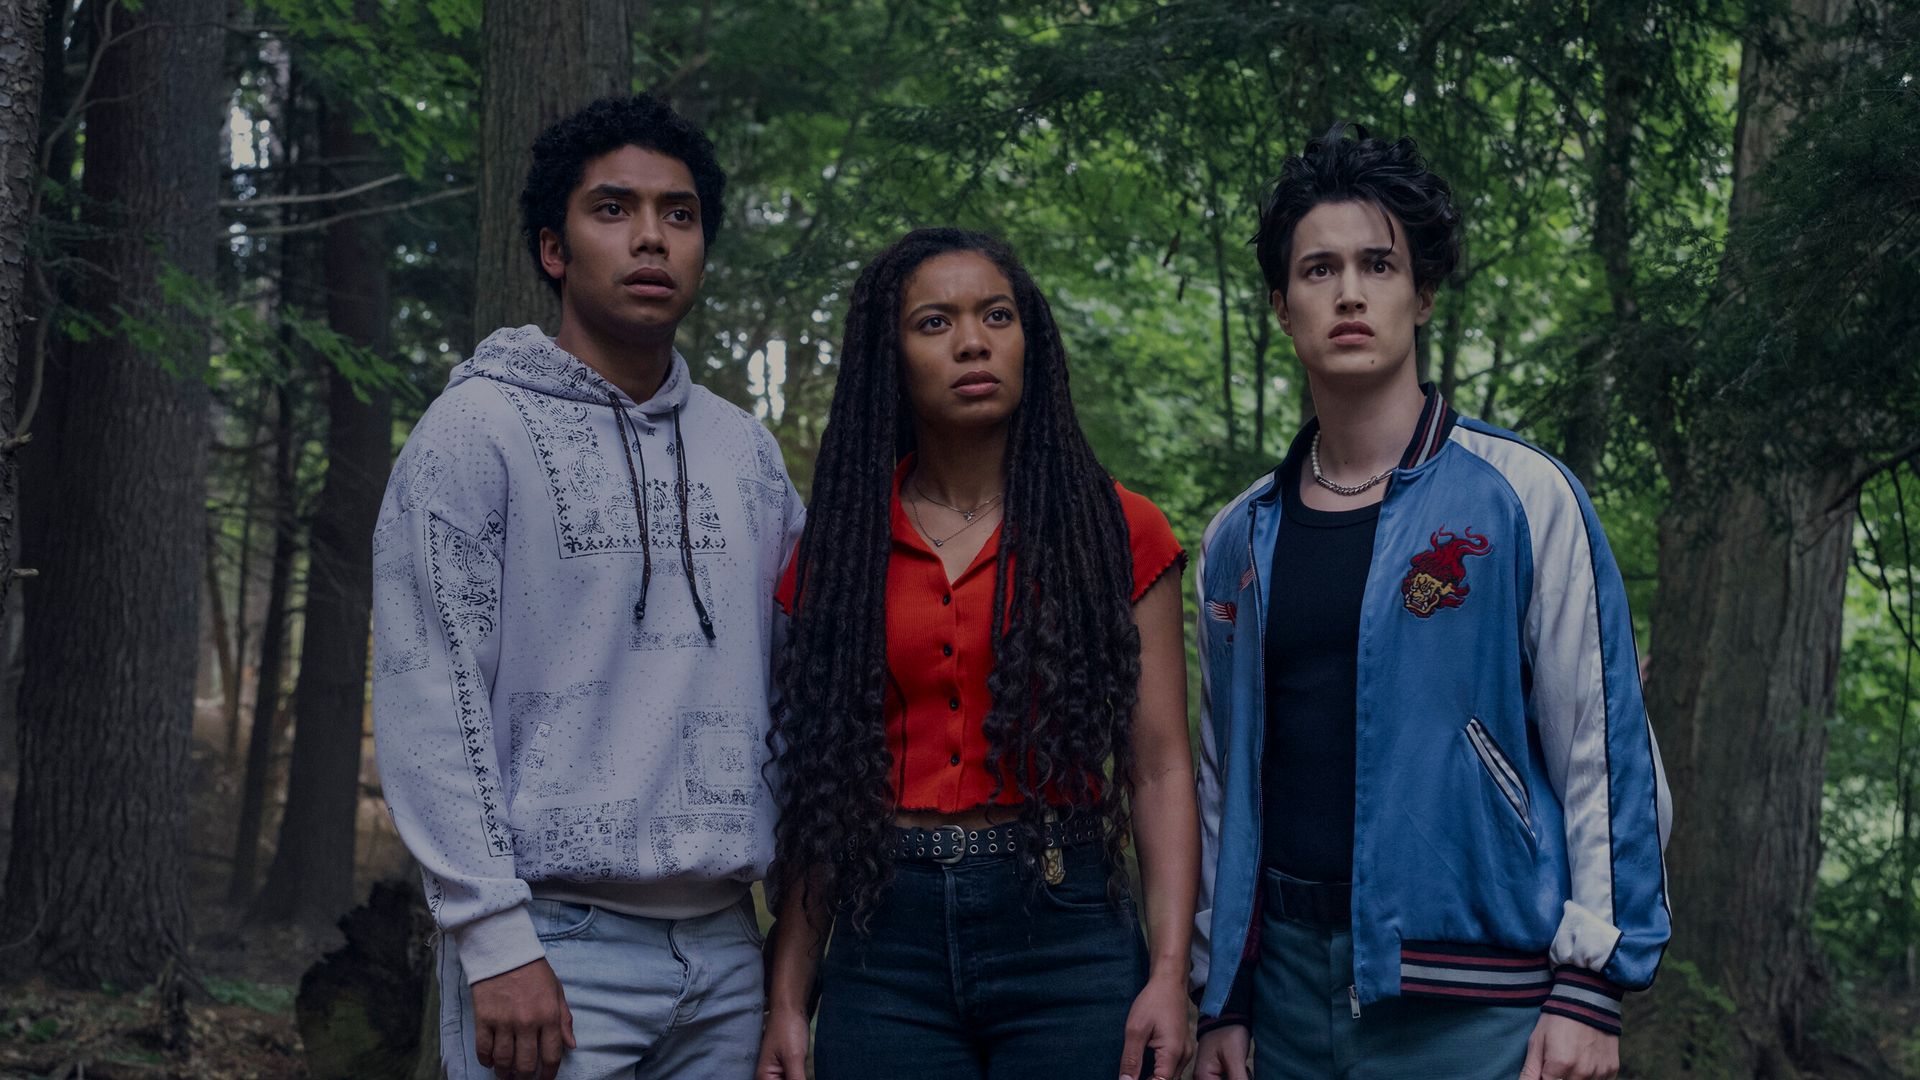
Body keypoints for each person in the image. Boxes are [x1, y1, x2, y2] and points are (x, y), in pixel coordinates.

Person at [1190, 126, 1673, 1080]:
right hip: (1281, 997)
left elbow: (1603, 751)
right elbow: (1221, 782)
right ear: (1284, 308)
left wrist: (1592, 987)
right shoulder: (1236, 538)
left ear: (1422, 294)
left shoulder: (1525, 497)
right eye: (1318, 269)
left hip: (1478, 1001)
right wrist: (1224, 996)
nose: (1351, 292)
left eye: (1379, 263)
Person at [372, 94, 803, 1080]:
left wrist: (793, 938)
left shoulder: (747, 456)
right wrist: (493, 939)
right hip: (551, 951)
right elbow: (428, 691)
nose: (651, 237)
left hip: (731, 953)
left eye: (679, 214)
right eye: (613, 209)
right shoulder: (474, 434)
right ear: (553, 249)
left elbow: (800, 693)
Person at [752, 228, 1198, 1080]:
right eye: (934, 323)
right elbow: (821, 782)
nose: (971, 341)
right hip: (888, 939)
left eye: (996, 316)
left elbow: (1160, 770)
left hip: (1066, 926)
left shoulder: (1117, 530)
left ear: (1030, 339)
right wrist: (787, 995)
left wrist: (1171, 976)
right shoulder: (840, 552)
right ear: (892, 358)